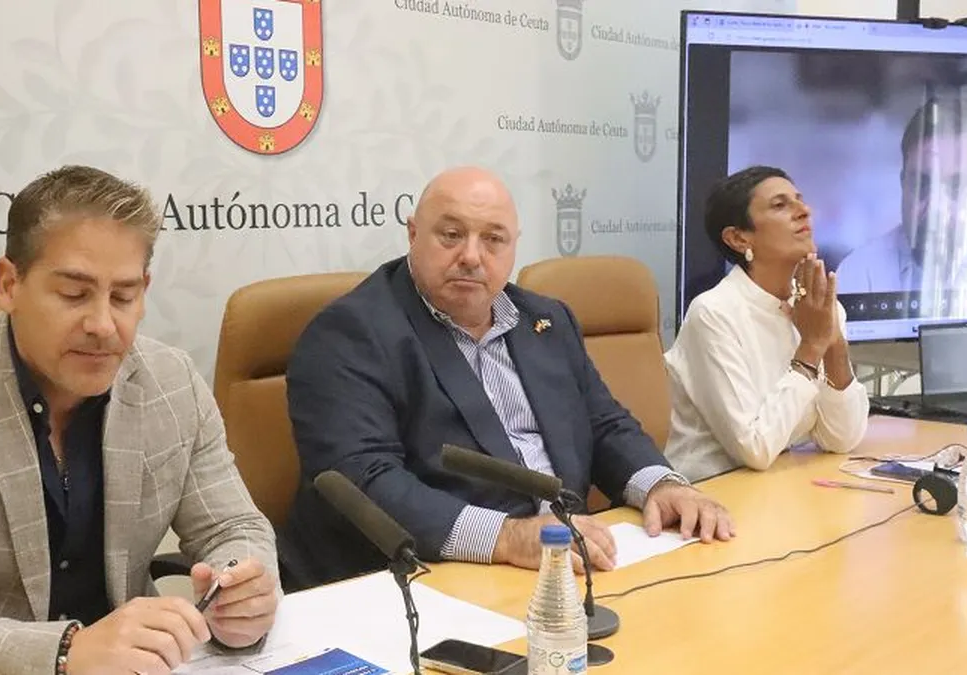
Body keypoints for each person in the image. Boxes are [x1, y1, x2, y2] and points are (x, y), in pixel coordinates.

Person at [0, 166, 280, 675]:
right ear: (9, 284)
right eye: (74, 295)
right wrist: (63, 653)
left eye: (123, 297)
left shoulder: (172, 383)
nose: (103, 325)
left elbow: (233, 526)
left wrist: (243, 588)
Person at [277, 166, 734, 591]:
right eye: (451, 235)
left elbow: (603, 423)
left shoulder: (546, 320)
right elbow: (361, 479)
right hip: (422, 580)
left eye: (493, 239)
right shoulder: (349, 333)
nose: (471, 256)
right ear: (413, 234)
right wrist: (507, 537)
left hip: (564, 564)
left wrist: (662, 485)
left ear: (514, 246)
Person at [663, 166, 869, 482]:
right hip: (712, 490)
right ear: (738, 238)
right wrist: (811, 347)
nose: (804, 211)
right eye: (780, 205)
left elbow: (842, 439)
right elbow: (754, 448)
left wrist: (833, 342)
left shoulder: (816, 308)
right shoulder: (714, 313)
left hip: (780, 484)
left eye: (800, 200)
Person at [835, 97, 967, 294]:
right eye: (922, 183)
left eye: (955, 186)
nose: (936, 207)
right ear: (903, 183)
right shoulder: (859, 274)